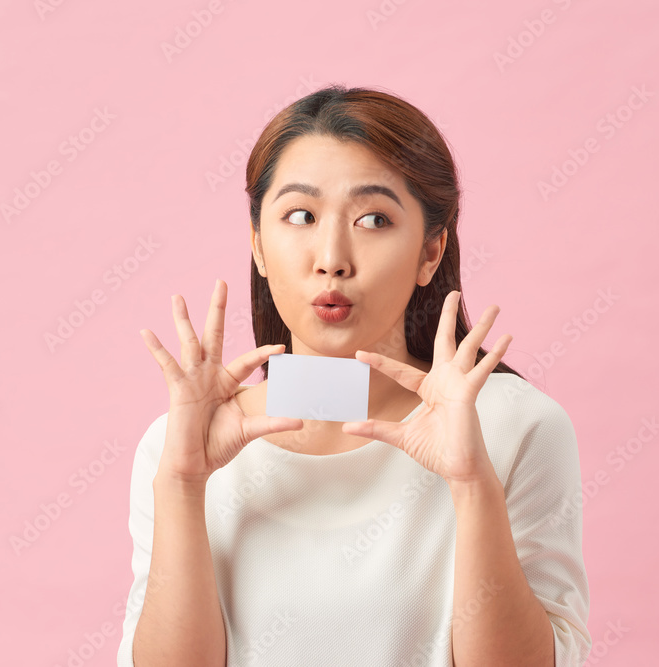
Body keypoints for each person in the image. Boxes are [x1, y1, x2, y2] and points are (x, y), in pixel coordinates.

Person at [117, 85, 590, 666]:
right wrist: (183, 483)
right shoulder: (180, 447)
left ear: (430, 252)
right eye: (300, 216)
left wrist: (472, 487)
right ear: (259, 246)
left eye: (373, 219)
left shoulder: (516, 426)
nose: (332, 257)